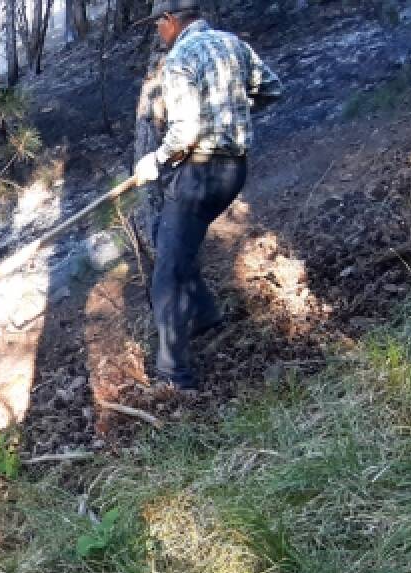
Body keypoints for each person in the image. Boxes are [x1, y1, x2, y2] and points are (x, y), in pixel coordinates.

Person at [133, 0, 284, 390]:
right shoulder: (233, 44)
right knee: (175, 241)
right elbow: (271, 90)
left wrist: (157, 159)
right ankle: (205, 315)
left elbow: (185, 131)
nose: (158, 34)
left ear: (170, 20)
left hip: (201, 171)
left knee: (167, 268)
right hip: (234, 170)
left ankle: (172, 374)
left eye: (157, 26)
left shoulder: (181, 58)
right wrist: (233, 113)